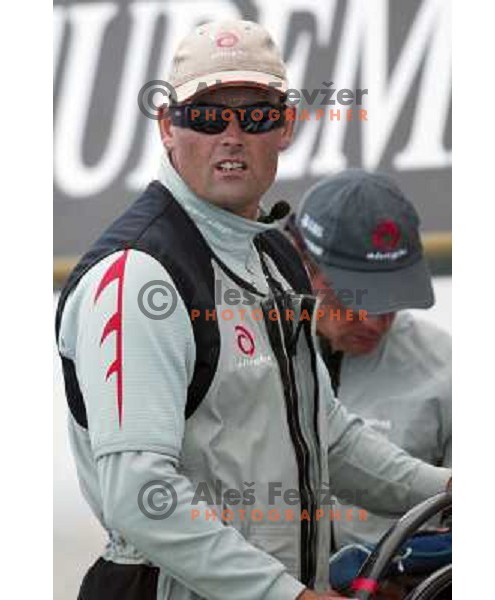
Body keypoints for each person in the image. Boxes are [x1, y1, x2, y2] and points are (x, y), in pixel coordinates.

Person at [55, 20, 451, 600]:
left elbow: (330, 438)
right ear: (168, 125)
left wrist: (448, 491)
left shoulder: (274, 259)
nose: (232, 135)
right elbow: (141, 497)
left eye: (256, 115)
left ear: (286, 124)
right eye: (209, 115)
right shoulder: (137, 275)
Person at [290, 169, 452, 549]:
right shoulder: (237, 351)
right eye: (353, 296)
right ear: (302, 266)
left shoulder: (453, 373)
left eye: (391, 297)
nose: (373, 321)